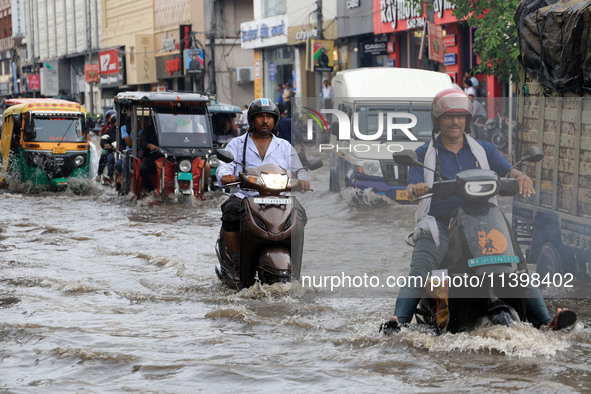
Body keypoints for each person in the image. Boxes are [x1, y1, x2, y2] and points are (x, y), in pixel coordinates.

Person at [381, 88, 576, 333]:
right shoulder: (423, 154)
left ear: (468, 120)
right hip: (440, 226)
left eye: (460, 116)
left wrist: (520, 175)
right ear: (437, 120)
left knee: (519, 268)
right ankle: (398, 322)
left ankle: (546, 322)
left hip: (483, 224)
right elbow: (411, 187)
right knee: (419, 271)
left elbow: (507, 170)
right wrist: (415, 188)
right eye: (449, 117)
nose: (455, 122)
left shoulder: (483, 149)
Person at [216, 98, 310, 282]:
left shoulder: (284, 146)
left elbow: (300, 170)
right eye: (261, 117)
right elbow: (224, 169)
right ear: (252, 120)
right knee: (230, 213)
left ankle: (295, 265)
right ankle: (237, 261)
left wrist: (304, 180)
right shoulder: (236, 144)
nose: (265, 121)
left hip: (279, 198)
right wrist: (226, 176)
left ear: (275, 120)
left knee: (301, 215)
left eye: (269, 117)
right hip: (245, 196)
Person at [138, 117, 162, 198]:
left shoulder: (170, 129)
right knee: (143, 169)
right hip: (151, 156)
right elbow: (142, 142)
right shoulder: (148, 129)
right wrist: (149, 145)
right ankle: (151, 191)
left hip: (166, 157)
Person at [97, 115, 117, 184]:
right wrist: (106, 145)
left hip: (121, 151)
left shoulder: (122, 130)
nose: (117, 124)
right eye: (115, 122)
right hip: (111, 151)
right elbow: (103, 140)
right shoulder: (108, 130)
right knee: (107, 157)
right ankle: (107, 176)